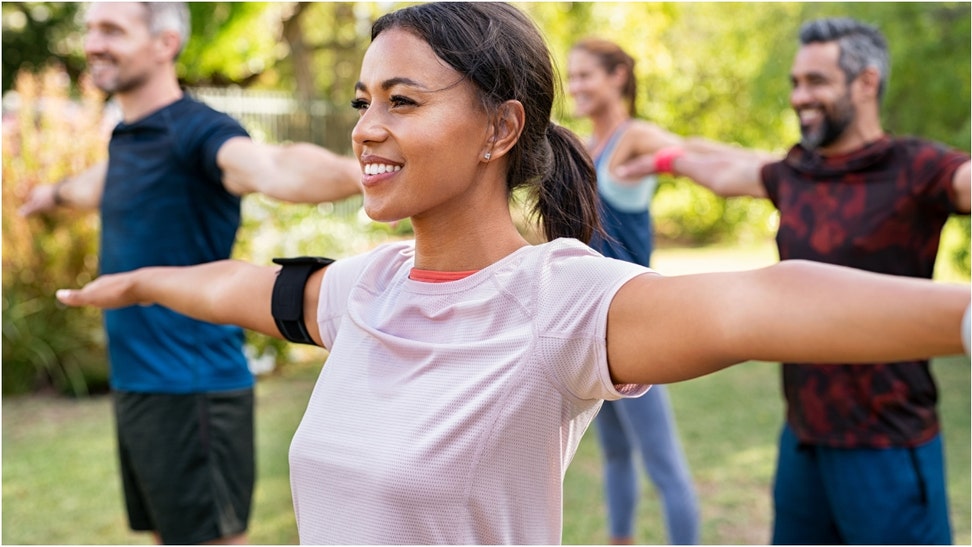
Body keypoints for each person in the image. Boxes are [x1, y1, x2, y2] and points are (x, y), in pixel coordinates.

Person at [53, 4, 970, 544]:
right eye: (365, 100)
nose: (367, 126)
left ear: (500, 129)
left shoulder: (557, 302)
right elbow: (237, 285)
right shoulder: (366, 290)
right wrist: (137, 283)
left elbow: (763, 299)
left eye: (403, 101)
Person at [615, 17, 971, 545]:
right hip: (803, 442)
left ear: (866, 83)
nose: (800, 96)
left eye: (817, 82)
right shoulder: (796, 171)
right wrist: (663, 160)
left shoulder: (916, 167)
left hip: (887, 447)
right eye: (796, 83)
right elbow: (725, 172)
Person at [18, 3, 361, 545]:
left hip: (192, 388)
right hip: (141, 385)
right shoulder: (131, 136)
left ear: (165, 42)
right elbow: (94, 187)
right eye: (90, 29)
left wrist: (369, 174)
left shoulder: (198, 132)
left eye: (112, 30)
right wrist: (48, 197)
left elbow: (272, 166)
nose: (92, 43)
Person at [566, 37, 699, 545]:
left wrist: (664, 163)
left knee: (663, 464)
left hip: (636, 324)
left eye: (586, 76)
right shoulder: (584, 146)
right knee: (617, 455)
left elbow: (690, 153)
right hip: (591, 326)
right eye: (572, 76)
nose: (575, 86)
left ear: (618, 75)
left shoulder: (635, 136)